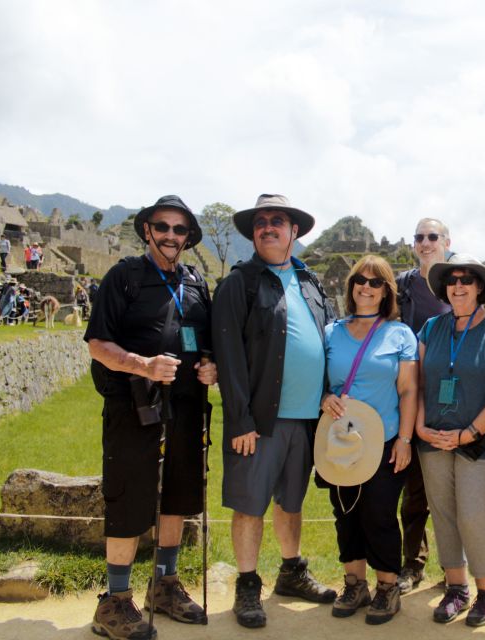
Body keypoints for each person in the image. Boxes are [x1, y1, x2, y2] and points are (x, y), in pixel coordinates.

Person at [84, 195, 217, 639]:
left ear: (187, 238)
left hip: (185, 407)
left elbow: (205, 340)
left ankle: (163, 585)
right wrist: (142, 365)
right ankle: (115, 601)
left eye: (180, 230)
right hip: (133, 407)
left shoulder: (196, 283)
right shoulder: (124, 277)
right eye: (163, 227)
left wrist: (208, 365)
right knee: (128, 498)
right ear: (147, 231)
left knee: (177, 496)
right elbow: (98, 344)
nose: (171, 236)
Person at [212, 193, 338, 629]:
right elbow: (228, 355)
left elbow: (327, 345)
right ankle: (248, 585)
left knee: (291, 501)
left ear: (294, 231)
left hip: (306, 418)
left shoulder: (311, 283)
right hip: (259, 421)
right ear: (253, 232)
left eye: (277, 220)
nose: (268, 227)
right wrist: (241, 419)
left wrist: (325, 393)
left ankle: (291, 572)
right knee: (250, 505)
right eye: (260, 221)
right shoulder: (240, 284)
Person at [415, 254, 485, 627]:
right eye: (452, 280)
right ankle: (456, 589)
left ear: (479, 288)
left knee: (473, 515)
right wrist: (420, 428)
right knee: (443, 514)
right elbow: (419, 384)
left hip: (481, 442)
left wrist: (469, 432)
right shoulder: (430, 328)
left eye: (467, 280)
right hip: (434, 439)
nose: (458, 285)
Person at [319, 255, 418, 624]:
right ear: (351, 285)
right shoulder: (332, 332)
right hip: (340, 438)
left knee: (379, 513)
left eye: (376, 282)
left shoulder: (400, 334)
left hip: (385, 439)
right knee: (345, 513)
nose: (367, 286)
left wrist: (405, 440)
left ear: (386, 291)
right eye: (361, 279)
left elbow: (408, 391)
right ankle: (354, 583)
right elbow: (322, 383)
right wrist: (324, 398)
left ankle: (387, 586)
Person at [394, 217, 451, 593]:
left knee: (451, 491)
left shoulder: (458, 280)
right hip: (408, 396)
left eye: (433, 236)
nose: (425, 242)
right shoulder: (403, 285)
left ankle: (456, 568)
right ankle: (412, 564)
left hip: (449, 399)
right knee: (414, 493)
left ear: (447, 241)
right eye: (419, 237)